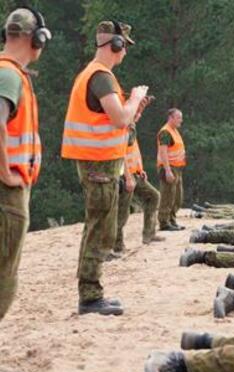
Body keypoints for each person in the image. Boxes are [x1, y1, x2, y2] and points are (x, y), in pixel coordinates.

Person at [61, 20, 149, 316]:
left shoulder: (96, 75)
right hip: (98, 165)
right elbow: (119, 120)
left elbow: (118, 121)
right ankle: (89, 295)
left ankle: (91, 293)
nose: (125, 53)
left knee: (99, 227)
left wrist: (134, 109)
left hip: (99, 164)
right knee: (100, 229)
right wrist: (134, 98)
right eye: (124, 46)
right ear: (116, 45)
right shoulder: (101, 77)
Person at [0, 7, 51, 321]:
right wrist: (5, 172)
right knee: (4, 277)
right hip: (6, 193)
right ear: (37, 39)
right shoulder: (8, 75)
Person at [113, 127, 164, 254]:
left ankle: (149, 235)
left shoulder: (131, 128)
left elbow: (133, 153)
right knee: (122, 212)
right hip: (125, 176)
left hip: (135, 174)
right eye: (138, 111)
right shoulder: (123, 127)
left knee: (154, 196)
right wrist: (128, 176)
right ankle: (117, 245)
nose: (139, 114)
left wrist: (140, 170)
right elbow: (121, 153)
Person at [157, 108, 186, 231]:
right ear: (171, 118)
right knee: (168, 196)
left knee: (177, 197)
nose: (181, 120)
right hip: (169, 167)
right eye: (178, 117)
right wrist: (167, 170)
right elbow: (163, 152)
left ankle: (172, 220)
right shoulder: (165, 132)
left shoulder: (174, 131)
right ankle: (164, 222)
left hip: (177, 168)